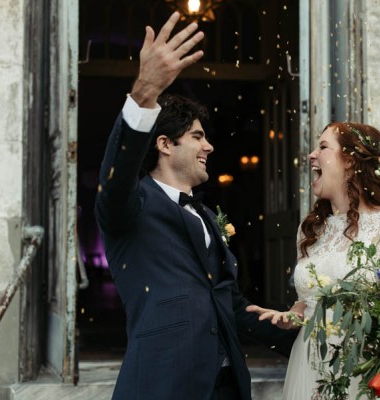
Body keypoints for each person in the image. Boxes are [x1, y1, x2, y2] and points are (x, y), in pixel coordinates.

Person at [94, 12, 296, 400]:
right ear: (165, 145)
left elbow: (230, 306)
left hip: (225, 387)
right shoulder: (129, 206)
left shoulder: (205, 216)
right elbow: (113, 180)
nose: (209, 147)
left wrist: (310, 342)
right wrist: (144, 94)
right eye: (197, 137)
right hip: (162, 385)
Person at [247, 122, 380, 400]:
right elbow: (310, 298)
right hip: (310, 362)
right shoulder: (311, 228)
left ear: (350, 162)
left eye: (323, 147)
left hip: (362, 368)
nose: (311, 155)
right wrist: (293, 315)